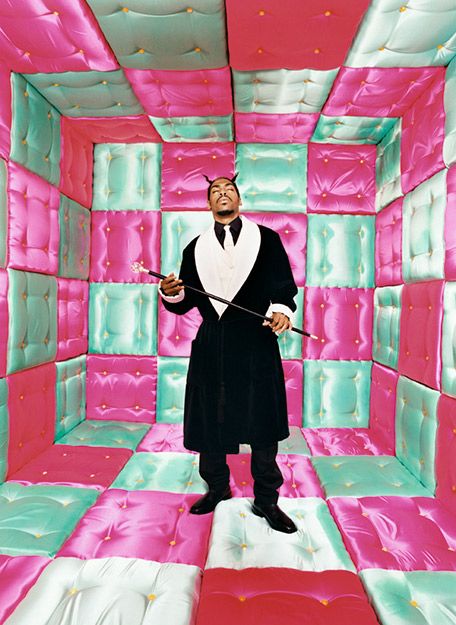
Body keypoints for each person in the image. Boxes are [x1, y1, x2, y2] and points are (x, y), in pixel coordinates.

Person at [159, 175, 298, 533]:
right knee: (210, 419)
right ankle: (217, 487)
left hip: (256, 339)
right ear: (208, 204)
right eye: (215, 191)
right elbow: (185, 301)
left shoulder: (267, 239)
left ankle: (266, 500)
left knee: (262, 421)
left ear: (239, 199)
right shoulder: (194, 248)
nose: (222, 193)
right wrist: (170, 291)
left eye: (229, 189)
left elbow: (283, 287)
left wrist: (282, 310)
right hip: (212, 342)